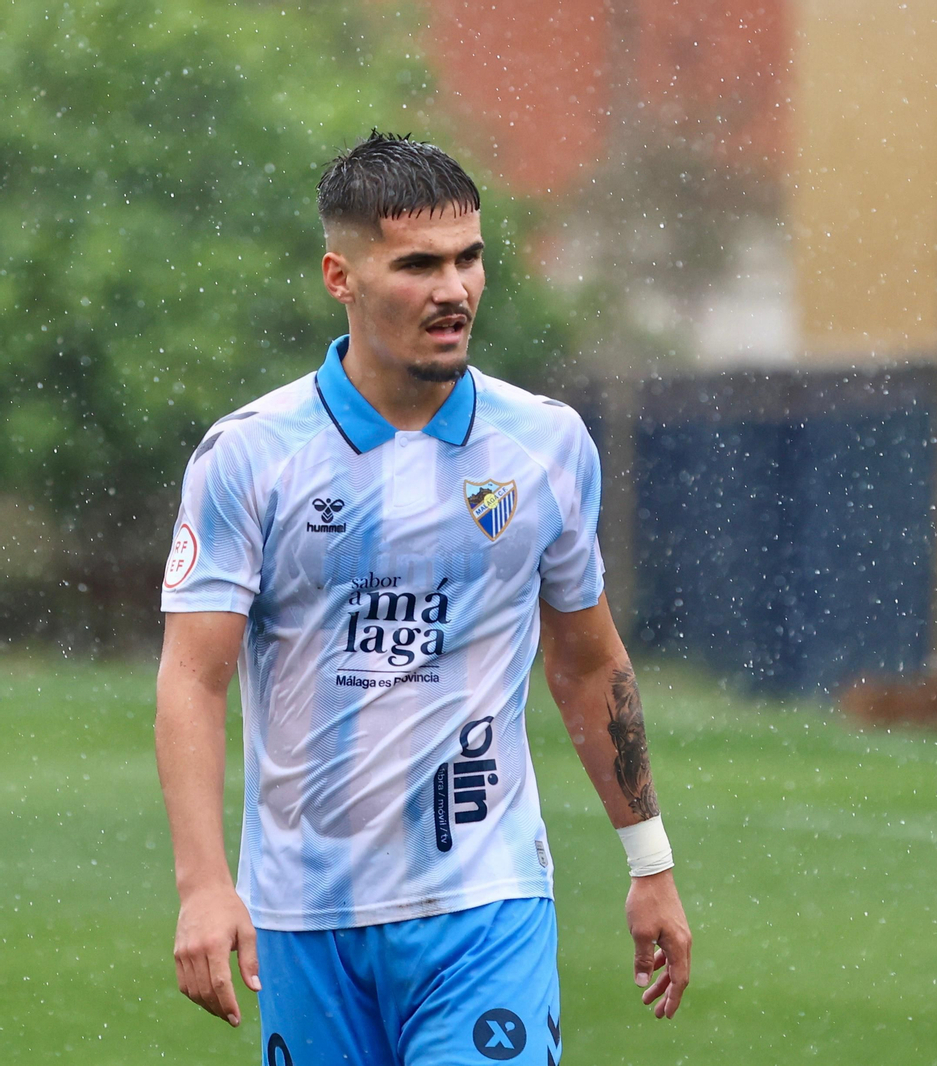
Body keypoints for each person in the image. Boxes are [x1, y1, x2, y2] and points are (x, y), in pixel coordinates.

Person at [154, 131, 690, 1065]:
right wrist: (205, 886)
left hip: (485, 903)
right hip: (304, 912)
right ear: (341, 275)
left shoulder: (547, 446)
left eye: (468, 258)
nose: (454, 289)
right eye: (418, 264)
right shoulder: (250, 455)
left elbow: (587, 661)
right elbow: (193, 680)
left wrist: (650, 863)